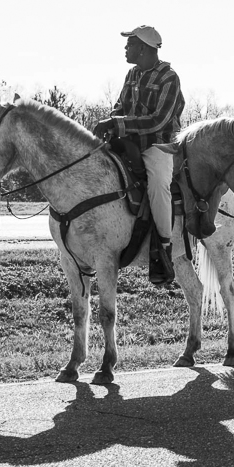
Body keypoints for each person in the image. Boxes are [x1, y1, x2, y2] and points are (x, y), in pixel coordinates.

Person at [93, 25, 184, 285]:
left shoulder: (169, 77)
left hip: (159, 145)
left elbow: (158, 121)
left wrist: (118, 124)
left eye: (130, 44)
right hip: (129, 142)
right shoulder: (132, 74)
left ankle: (164, 247)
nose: (125, 49)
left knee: (158, 184)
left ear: (143, 48)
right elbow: (120, 106)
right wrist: (111, 120)